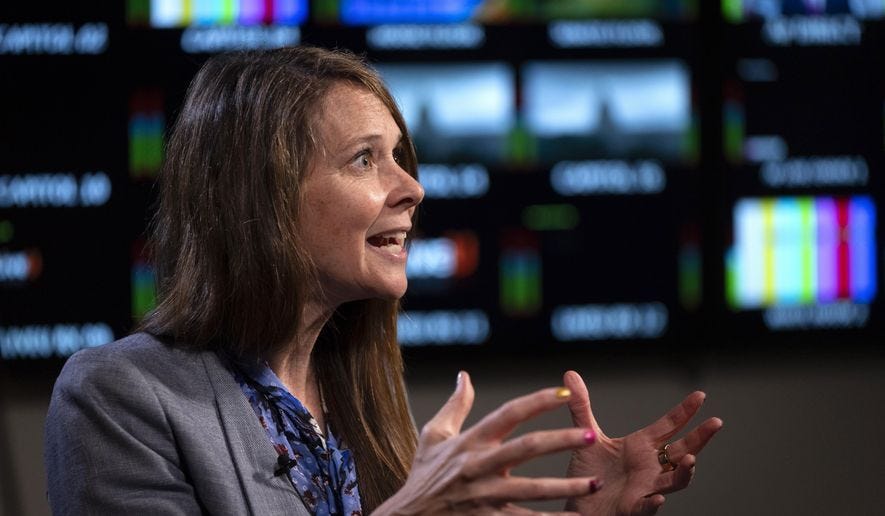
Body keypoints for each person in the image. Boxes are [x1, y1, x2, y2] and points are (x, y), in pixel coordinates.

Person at [44, 46, 722, 515]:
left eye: (399, 156)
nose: (412, 188)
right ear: (260, 196)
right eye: (364, 160)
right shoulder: (120, 396)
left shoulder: (359, 394)